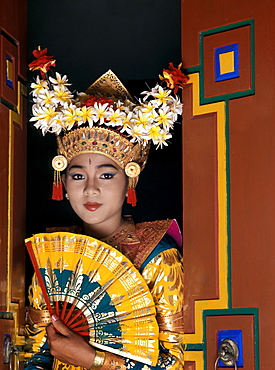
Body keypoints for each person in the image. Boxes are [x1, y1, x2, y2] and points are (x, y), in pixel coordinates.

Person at [24, 47, 188, 370]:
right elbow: (34, 353)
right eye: (77, 175)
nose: (91, 188)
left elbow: (175, 364)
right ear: (63, 185)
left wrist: (92, 359)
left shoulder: (159, 258)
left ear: (130, 181)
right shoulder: (52, 255)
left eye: (107, 174)